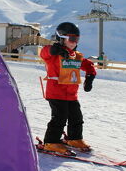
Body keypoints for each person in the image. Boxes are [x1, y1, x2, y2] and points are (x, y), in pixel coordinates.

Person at [40, 22, 97, 155]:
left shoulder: (76, 56)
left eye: (76, 39)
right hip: (55, 92)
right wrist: (53, 49)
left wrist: (90, 77)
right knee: (60, 117)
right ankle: (51, 142)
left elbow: (88, 65)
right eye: (71, 39)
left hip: (71, 94)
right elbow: (44, 53)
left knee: (76, 117)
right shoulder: (53, 53)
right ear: (61, 38)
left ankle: (74, 139)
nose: (73, 42)